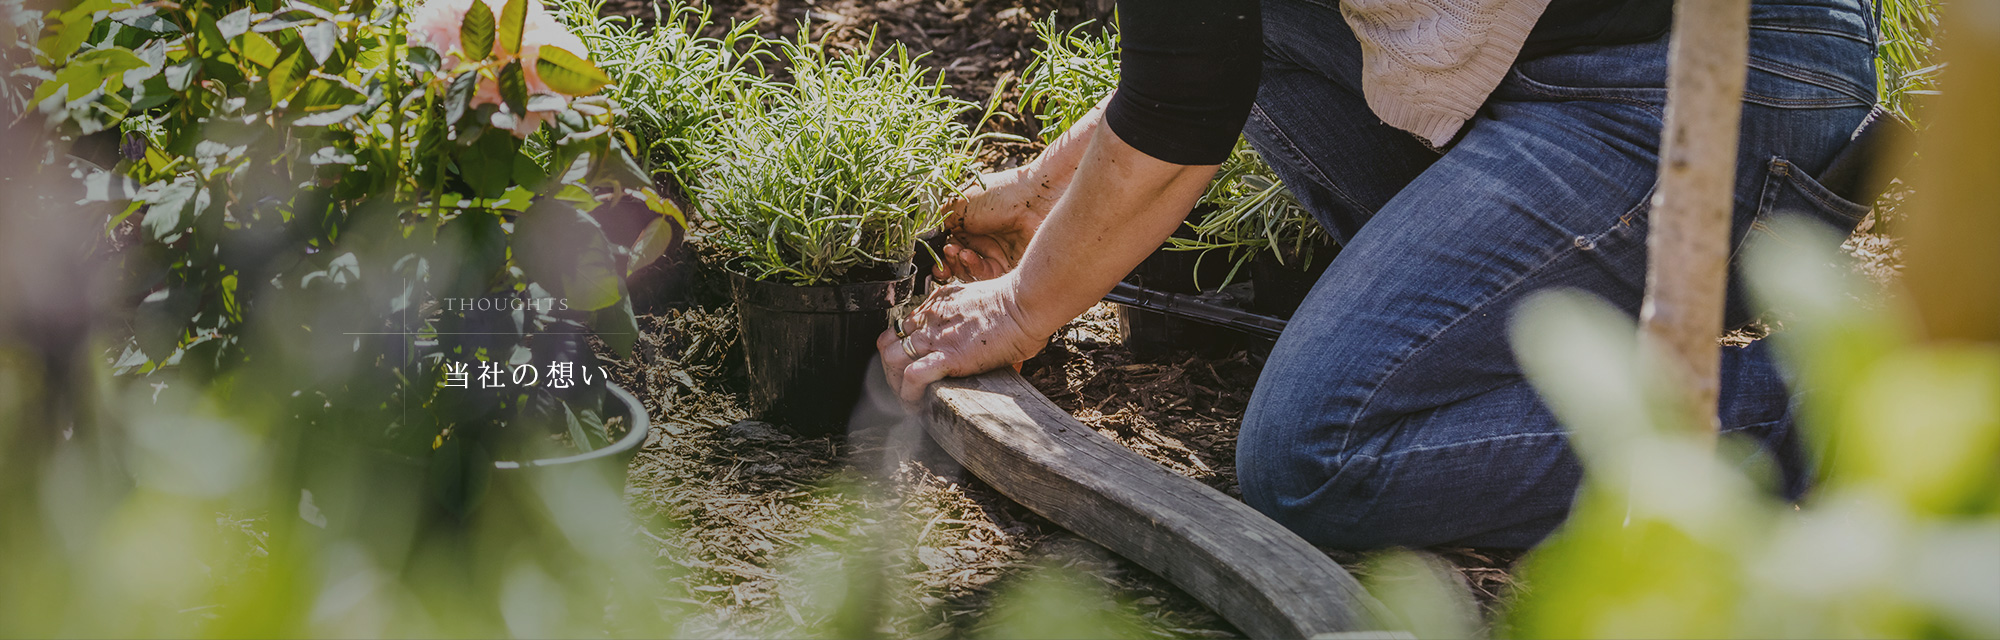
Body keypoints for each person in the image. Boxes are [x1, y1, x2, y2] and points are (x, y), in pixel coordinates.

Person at [879, 0, 1880, 549]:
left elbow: (1179, 116)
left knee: (1317, 454)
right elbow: (1206, 54)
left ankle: (1836, 401)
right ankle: (1505, 330)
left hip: (1708, 86)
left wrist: (1020, 303)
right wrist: (1043, 197)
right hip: (1623, 62)